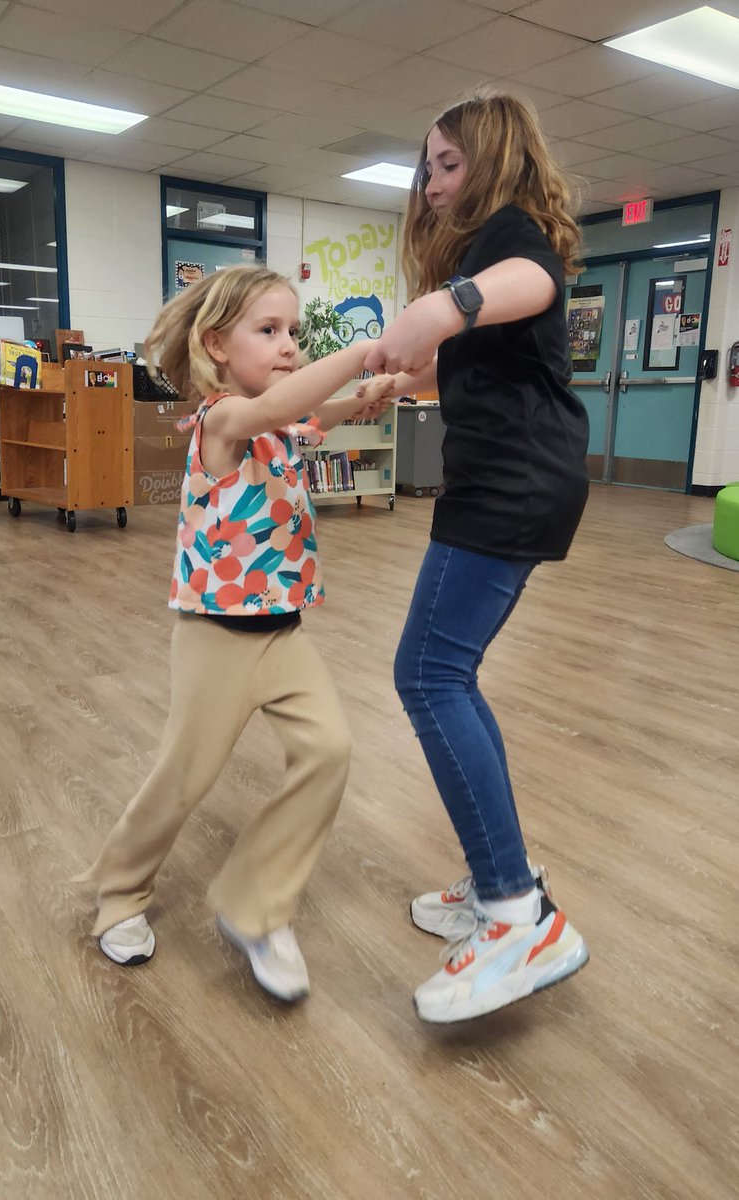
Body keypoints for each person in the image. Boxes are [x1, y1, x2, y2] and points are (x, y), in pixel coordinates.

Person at [75, 265, 394, 1002]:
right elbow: (285, 402)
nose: (289, 345)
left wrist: (364, 398)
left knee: (330, 750)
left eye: (294, 332)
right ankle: (119, 896)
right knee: (183, 778)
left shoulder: (278, 422)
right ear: (216, 344)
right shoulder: (221, 421)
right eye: (269, 331)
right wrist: (367, 355)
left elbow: (312, 417)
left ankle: (256, 908)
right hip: (217, 639)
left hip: (284, 636)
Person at [364, 91, 590, 1024]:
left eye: (447, 163)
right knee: (450, 673)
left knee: (426, 673)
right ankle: (508, 880)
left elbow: (532, 286)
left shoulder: (513, 238)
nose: (430, 183)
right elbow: (459, 363)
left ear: (495, 162)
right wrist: (386, 379)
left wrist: (445, 302)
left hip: (509, 486)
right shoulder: (482, 255)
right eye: (426, 166)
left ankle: (515, 920)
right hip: (507, 483)